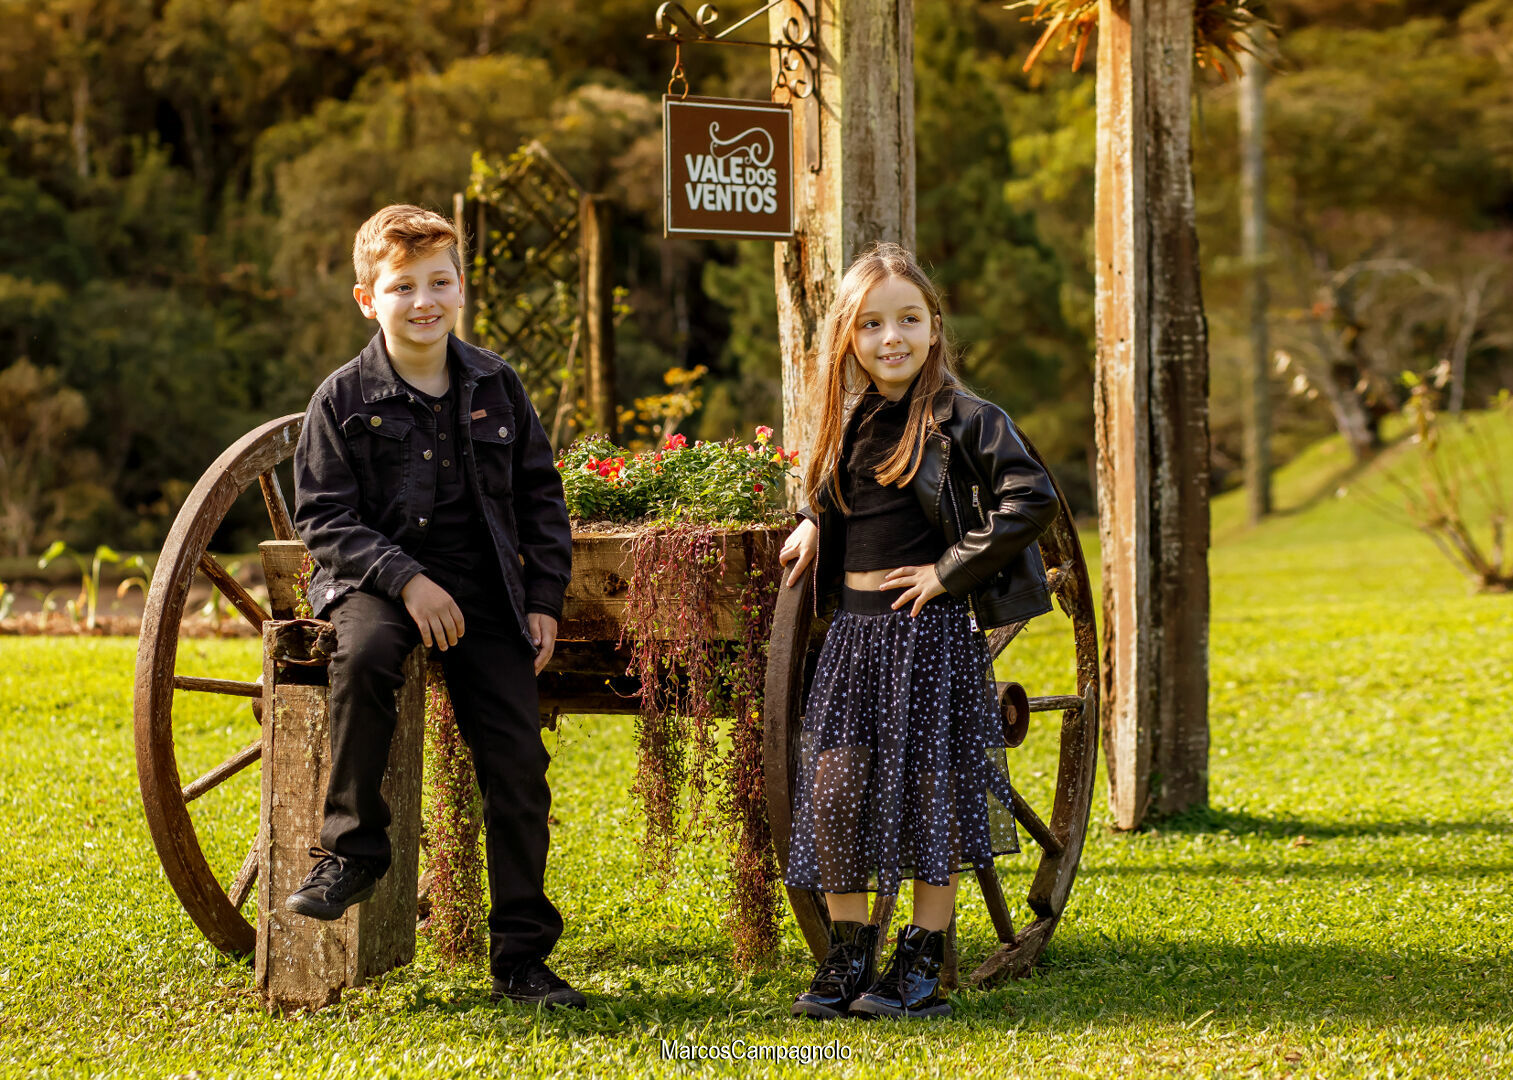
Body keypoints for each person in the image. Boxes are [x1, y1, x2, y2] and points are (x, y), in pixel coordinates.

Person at [287, 204, 584, 1009]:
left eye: (440, 282)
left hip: (483, 584)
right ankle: (353, 849)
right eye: (402, 286)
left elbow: (538, 497)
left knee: (518, 767)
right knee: (370, 652)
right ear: (366, 299)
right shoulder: (342, 398)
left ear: (460, 288)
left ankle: (522, 955)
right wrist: (406, 579)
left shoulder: (495, 383)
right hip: (376, 582)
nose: (424, 300)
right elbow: (323, 517)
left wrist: (544, 597)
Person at [778, 243, 1060, 1020]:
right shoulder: (847, 419)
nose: (889, 338)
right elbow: (837, 499)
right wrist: (809, 521)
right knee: (835, 790)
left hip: (927, 637)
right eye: (870, 325)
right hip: (852, 642)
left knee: (928, 795)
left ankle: (922, 965)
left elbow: (1029, 498)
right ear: (848, 337)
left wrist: (948, 570)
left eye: (907, 319)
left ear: (934, 327)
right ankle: (846, 957)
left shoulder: (966, 416)